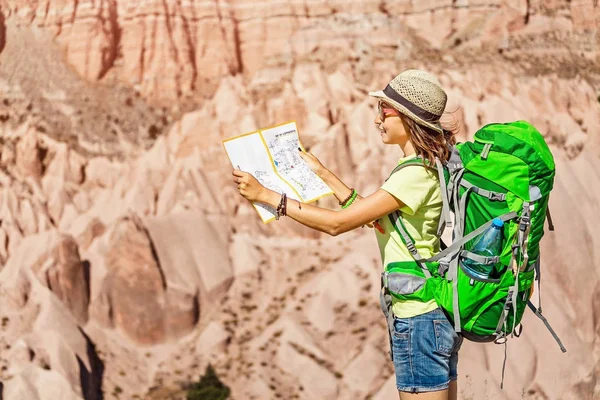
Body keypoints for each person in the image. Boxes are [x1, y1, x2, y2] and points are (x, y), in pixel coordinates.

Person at [232, 69, 462, 400]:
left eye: (385, 110)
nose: (377, 119)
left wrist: (267, 197)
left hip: (418, 318)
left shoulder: (414, 174)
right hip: (432, 314)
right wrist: (322, 172)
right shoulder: (425, 166)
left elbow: (337, 224)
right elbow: (375, 217)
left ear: (409, 119)